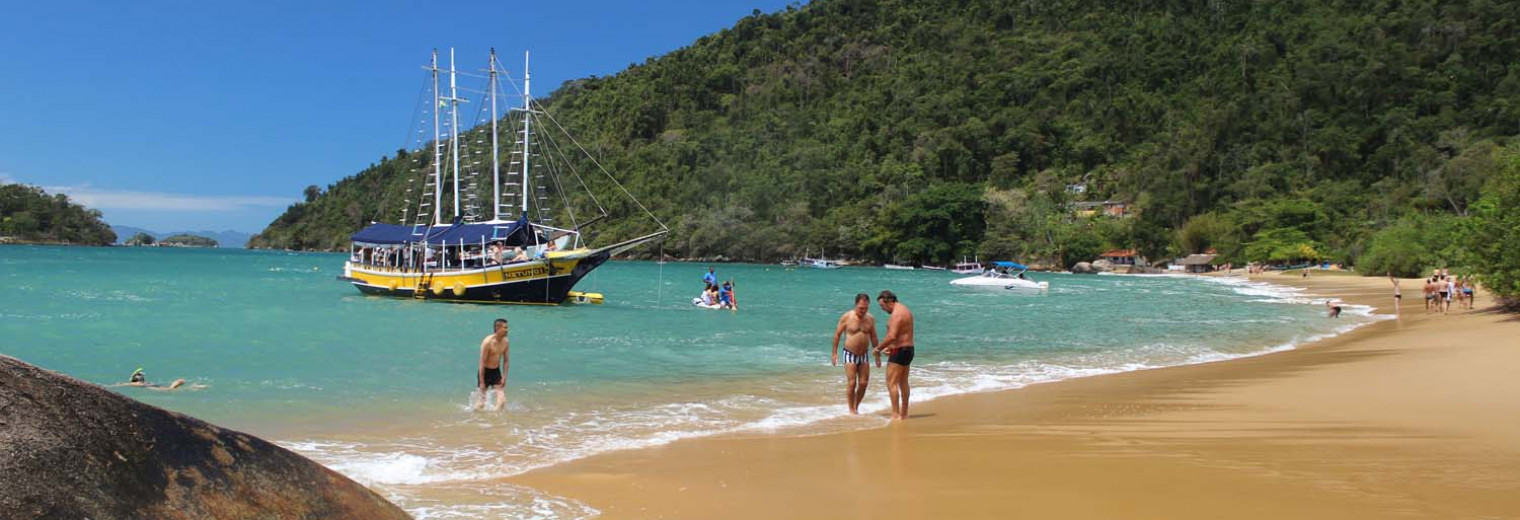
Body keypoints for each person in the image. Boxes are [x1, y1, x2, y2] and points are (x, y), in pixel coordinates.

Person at [831, 293, 880, 415]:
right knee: (852, 382)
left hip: (864, 354)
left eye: (866, 308)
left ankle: (856, 406)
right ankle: (851, 409)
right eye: (861, 308)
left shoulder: (870, 319)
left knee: (863, 383)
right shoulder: (847, 317)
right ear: (855, 305)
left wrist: (877, 355)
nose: (863, 310)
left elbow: (874, 337)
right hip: (849, 353)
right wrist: (834, 353)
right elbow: (837, 335)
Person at [872, 290, 915, 421]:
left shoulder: (896, 314)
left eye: (882, 306)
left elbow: (892, 336)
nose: (882, 309)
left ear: (890, 301)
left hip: (900, 351)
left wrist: (878, 349)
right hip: (908, 349)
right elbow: (902, 334)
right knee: (903, 382)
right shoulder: (905, 310)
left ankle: (896, 414)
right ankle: (904, 413)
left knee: (891, 383)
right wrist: (890, 347)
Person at [475, 318, 511, 412]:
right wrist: (482, 382)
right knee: (481, 404)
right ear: (497, 328)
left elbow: (506, 360)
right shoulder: (487, 342)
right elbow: (482, 362)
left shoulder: (505, 341)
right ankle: (475, 420)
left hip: (496, 372)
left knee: (502, 401)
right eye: (505, 328)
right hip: (485, 372)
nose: (507, 330)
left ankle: (494, 421)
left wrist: (504, 377)